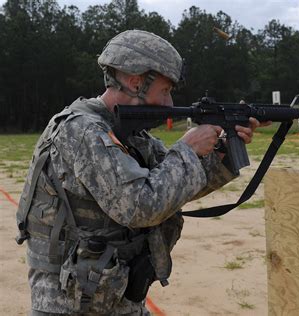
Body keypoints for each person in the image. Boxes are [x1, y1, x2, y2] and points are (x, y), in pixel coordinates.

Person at [16, 29, 266, 315]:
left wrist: (221, 153)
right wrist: (187, 150)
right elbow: (140, 207)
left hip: (111, 295)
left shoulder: (128, 134)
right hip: (70, 305)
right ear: (136, 82)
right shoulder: (81, 130)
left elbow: (171, 187)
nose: (170, 104)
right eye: (165, 91)